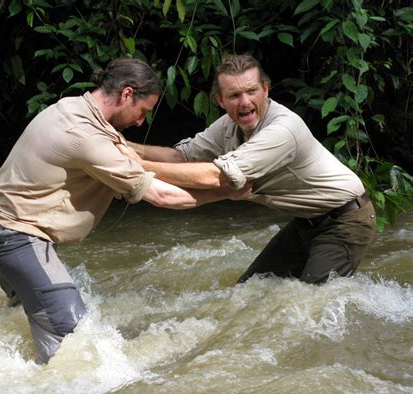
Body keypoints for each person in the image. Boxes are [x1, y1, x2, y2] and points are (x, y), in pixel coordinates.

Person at [0, 57, 249, 364]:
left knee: (28, 317)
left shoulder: (73, 109)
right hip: (14, 238)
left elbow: (144, 157)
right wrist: (227, 192)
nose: (142, 122)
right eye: (144, 111)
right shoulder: (87, 136)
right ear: (127, 94)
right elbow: (163, 197)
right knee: (73, 348)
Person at [121, 53, 377, 285]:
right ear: (220, 100)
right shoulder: (227, 126)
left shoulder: (282, 129)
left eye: (251, 91)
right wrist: (127, 147)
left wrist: (139, 165)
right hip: (305, 222)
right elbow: (181, 156)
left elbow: (216, 177)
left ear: (265, 89)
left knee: (312, 304)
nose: (245, 102)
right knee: (250, 290)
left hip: (345, 220)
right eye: (234, 95)